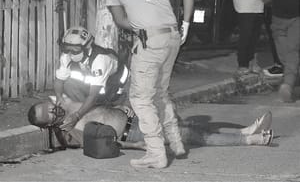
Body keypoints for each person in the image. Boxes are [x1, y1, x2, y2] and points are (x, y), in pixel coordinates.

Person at [105, 0, 194, 168]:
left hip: (150, 41)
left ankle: (156, 153)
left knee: (141, 99)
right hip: (172, 37)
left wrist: (139, 28)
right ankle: (175, 143)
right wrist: (186, 24)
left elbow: (120, 20)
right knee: (160, 93)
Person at [27, 94, 274, 153]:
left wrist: (123, 105)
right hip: (133, 134)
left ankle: (245, 130)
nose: (51, 108)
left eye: (46, 105)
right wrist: (139, 146)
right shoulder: (65, 131)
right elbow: (93, 143)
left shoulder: (70, 104)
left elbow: (100, 100)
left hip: (136, 117)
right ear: (47, 123)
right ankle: (251, 139)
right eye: (47, 113)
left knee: (187, 128)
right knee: (191, 136)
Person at [53, 26, 130, 132]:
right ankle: (87, 110)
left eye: (75, 49)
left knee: (112, 115)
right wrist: (59, 97)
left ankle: (101, 109)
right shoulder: (66, 56)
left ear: (86, 47)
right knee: (68, 84)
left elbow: (93, 95)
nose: (70, 52)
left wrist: (77, 116)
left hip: (117, 90)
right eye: (66, 48)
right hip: (96, 87)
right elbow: (59, 80)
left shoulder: (100, 59)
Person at [262, 0, 300, 102]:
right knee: (283, 54)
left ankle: (287, 85)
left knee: (292, 51)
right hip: (278, 17)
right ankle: (292, 75)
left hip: (296, 18)